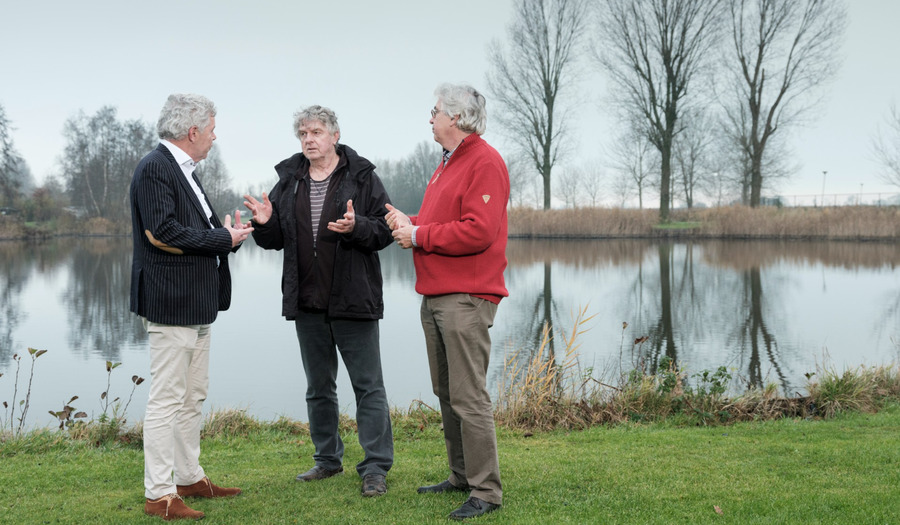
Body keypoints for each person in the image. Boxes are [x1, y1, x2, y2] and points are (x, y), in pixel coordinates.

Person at [243, 105, 394, 497]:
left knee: (368, 387)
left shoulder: (362, 176)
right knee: (319, 388)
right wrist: (264, 222)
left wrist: (356, 225)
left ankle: (375, 468)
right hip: (307, 301)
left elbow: (384, 230)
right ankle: (327, 460)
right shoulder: (290, 179)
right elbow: (277, 239)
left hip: (353, 300)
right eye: (303, 134)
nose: (309, 139)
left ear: (334, 135)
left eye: (316, 132)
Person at [386, 83, 509, 521]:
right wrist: (410, 221)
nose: (431, 117)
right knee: (446, 391)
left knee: (468, 395)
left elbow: (478, 230)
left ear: (456, 118)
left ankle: (486, 492)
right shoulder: (446, 164)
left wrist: (419, 235)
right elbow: (442, 223)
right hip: (436, 294)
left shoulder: (485, 162)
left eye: (435, 110)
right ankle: (460, 475)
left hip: (466, 297)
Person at [130, 93, 253, 521]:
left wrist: (226, 234)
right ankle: (159, 495)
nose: (215, 138)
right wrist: (223, 240)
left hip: (196, 302)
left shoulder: (185, 171)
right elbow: (161, 232)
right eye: (213, 129)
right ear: (193, 131)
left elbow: (191, 230)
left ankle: (188, 477)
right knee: (167, 398)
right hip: (171, 301)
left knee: (192, 394)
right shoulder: (155, 168)